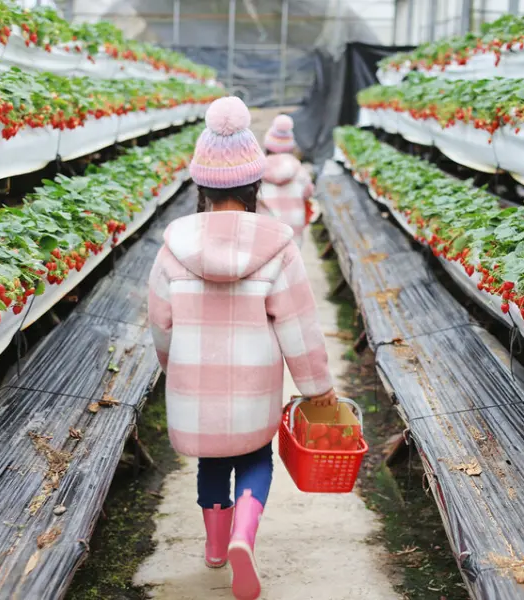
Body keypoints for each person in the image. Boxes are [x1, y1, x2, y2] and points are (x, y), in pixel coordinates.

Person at [147, 96, 337, 600]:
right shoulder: (277, 246)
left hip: (194, 384)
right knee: (255, 455)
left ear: (202, 185)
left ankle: (214, 548)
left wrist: (173, 367)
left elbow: (160, 325)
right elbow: (298, 325)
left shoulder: (173, 250)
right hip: (254, 384)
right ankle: (243, 539)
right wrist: (318, 387)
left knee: (212, 461)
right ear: (252, 184)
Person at [258, 115, 315, 247]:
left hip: (267, 231)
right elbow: (308, 192)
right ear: (291, 147)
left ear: (267, 146)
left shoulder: (258, 170)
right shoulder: (299, 169)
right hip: (292, 232)